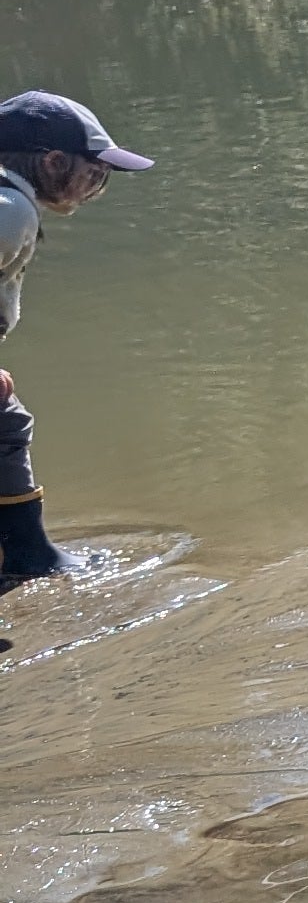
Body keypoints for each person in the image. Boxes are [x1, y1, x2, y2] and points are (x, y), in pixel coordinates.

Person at [0, 91, 155, 608]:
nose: (97, 189)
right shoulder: (11, 209)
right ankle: (28, 555)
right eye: (96, 174)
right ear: (53, 162)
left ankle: (22, 552)